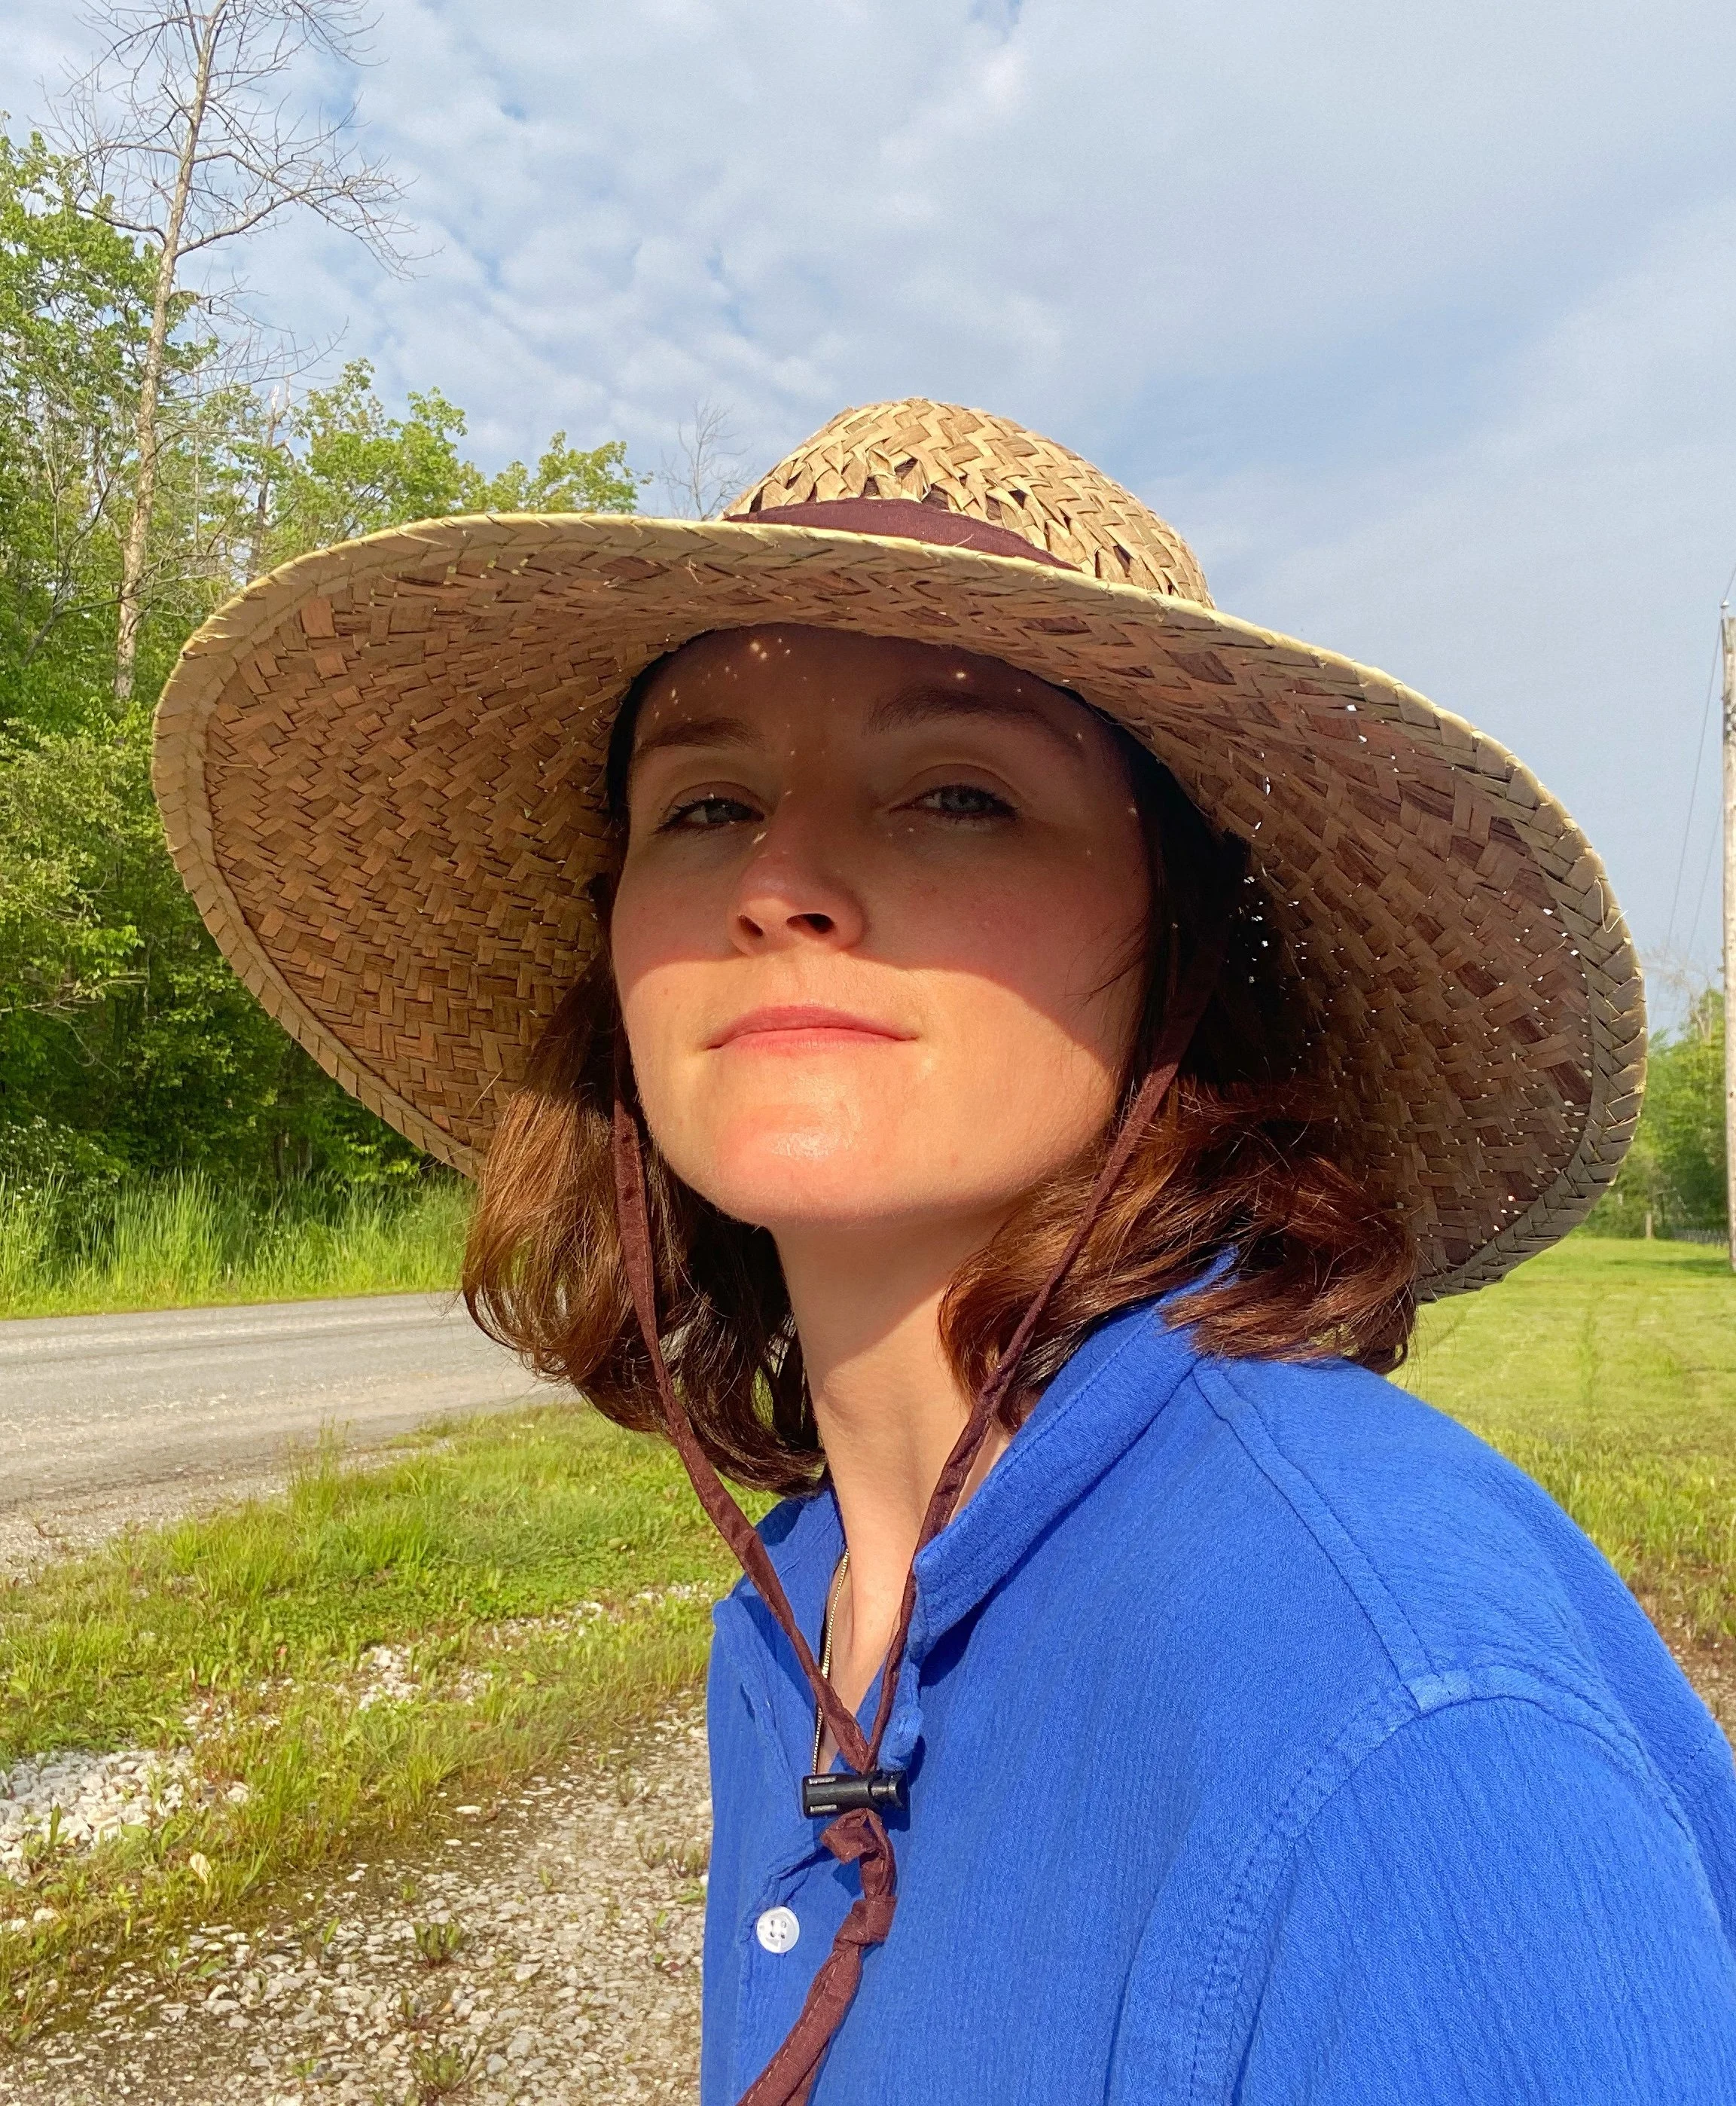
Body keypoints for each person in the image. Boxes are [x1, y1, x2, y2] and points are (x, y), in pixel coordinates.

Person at [155, 399, 1736, 2104]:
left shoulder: (1401, 1714)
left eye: (961, 792)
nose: (781, 882)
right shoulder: (804, 1602)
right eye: (703, 803)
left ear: (1185, 945)